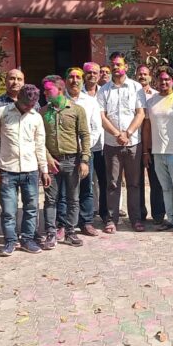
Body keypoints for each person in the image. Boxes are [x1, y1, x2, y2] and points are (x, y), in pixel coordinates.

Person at [0, 84, 49, 256]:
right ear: (18, 99)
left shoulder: (36, 117)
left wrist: (44, 169)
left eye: (31, 105)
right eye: (25, 104)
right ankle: (10, 241)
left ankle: (27, 239)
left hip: (31, 170)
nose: (28, 108)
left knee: (31, 208)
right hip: (8, 169)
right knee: (9, 210)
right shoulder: (2, 113)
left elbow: (40, 145)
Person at [97, 51, 147, 233]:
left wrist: (128, 133)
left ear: (126, 66)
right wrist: (118, 134)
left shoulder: (136, 87)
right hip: (112, 144)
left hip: (133, 143)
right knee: (112, 183)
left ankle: (136, 219)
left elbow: (140, 113)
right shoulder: (103, 90)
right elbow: (102, 117)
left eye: (119, 64)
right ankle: (111, 219)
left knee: (134, 183)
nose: (115, 67)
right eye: (113, 65)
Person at [43, 75, 91, 248]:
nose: (45, 93)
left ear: (60, 90)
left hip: (72, 160)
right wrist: (47, 158)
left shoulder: (77, 110)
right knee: (50, 199)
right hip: (51, 162)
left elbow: (85, 135)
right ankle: (51, 232)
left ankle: (70, 231)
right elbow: (39, 139)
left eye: (48, 90)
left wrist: (84, 160)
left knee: (73, 199)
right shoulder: (43, 112)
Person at [143, 66, 173, 234]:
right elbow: (147, 128)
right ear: (156, 81)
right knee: (165, 188)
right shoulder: (151, 102)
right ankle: (170, 219)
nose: (163, 82)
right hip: (158, 153)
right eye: (161, 79)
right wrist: (146, 151)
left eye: (167, 79)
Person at [63, 69, 105, 236]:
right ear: (65, 80)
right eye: (71, 77)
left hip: (86, 152)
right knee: (65, 189)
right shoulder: (59, 99)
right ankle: (64, 223)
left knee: (87, 187)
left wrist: (83, 149)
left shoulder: (90, 102)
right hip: (64, 153)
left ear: (82, 80)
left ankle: (86, 222)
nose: (75, 80)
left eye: (78, 77)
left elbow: (96, 128)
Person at [137, 63, 165, 224]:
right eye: (140, 74)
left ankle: (158, 215)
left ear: (150, 77)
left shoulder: (156, 96)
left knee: (156, 182)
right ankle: (139, 213)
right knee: (137, 182)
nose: (142, 76)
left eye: (145, 74)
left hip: (152, 144)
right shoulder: (132, 93)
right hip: (134, 142)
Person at [0, 69, 36, 136]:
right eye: (12, 78)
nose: (15, 82)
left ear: (24, 83)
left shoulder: (33, 104)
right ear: (5, 81)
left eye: (19, 79)